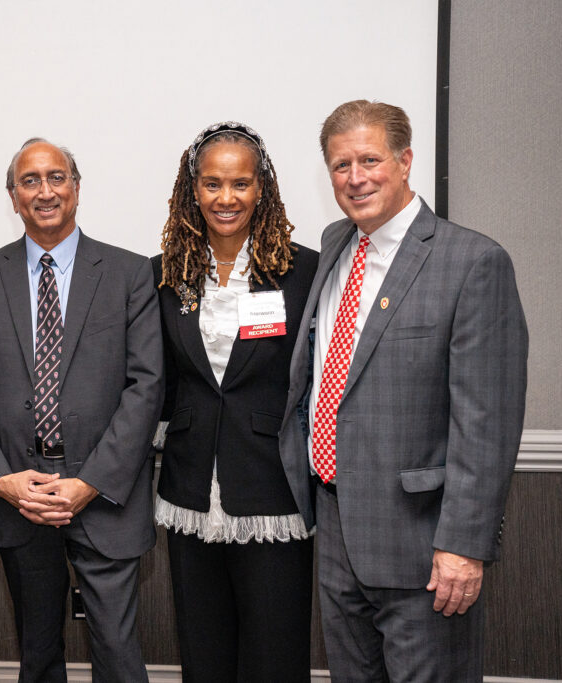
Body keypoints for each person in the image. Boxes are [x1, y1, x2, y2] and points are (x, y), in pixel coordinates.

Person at [278, 100, 528, 682]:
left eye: (370, 160)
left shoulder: (473, 261)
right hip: (337, 526)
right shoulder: (337, 242)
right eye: (341, 165)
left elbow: (486, 423)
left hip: (426, 546)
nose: (355, 177)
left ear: (406, 160)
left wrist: (464, 547)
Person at [0, 138, 164, 683]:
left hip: (103, 494)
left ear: (76, 188)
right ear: (12, 196)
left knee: (118, 652)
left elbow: (146, 386)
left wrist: (89, 482)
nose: (44, 191)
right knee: (37, 651)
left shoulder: (128, 273)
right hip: (18, 494)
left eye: (56, 178)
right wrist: (1, 479)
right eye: (30, 181)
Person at [152, 121, 318, 682]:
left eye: (241, 184)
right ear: (192, 190)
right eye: (213, 184)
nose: (226, 199)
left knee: (275, 654)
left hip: (273, 486)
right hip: (190, 489)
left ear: (261, 188)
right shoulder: (165, 276)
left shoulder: (304, 272)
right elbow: (164, 382)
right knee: (203, 654)